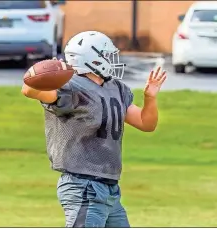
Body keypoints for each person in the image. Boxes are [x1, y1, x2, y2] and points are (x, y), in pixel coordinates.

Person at [21, 31, 167, 227]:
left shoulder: (116, 88)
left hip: (110, 189)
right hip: (83, 185)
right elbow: (31, 91)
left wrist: (150, 98)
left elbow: (146, 123)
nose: (111, 59)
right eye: (106, 55)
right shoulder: (70, 87)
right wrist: (40, 73)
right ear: (93, 59)